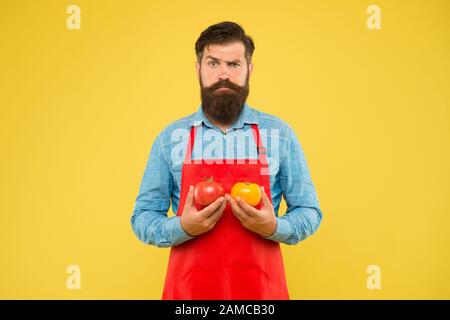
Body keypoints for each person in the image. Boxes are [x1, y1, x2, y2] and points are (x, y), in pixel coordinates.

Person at [131, 21, 323, 300]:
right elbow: (143, 217)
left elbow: (309, 211)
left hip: (261, 297)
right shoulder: (171, 138)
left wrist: (274, 228)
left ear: (249, 70)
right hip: (189, 297)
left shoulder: (279, 135)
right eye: (213, 63)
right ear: (198, 69)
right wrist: (182, 228)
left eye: (234, 64)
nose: (224, 74)